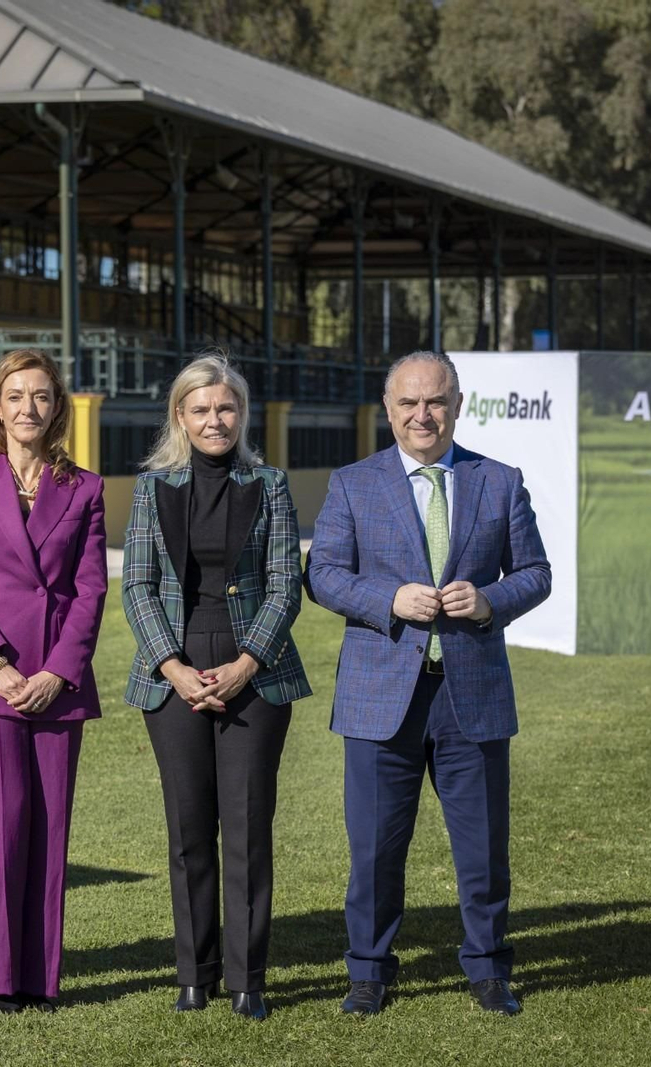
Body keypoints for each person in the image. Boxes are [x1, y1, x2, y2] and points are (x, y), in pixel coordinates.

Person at [304, 350, 551, 1018]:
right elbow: (322, 572)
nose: (423, 415)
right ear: (388, 409)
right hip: (380, 694)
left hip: (472, 693)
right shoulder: (353, 484)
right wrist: (389, 598)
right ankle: (369, 971)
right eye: (409, 403)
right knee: (376, 849)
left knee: (483, 849)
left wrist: (491, 600)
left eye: (436, 401)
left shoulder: (499, 481)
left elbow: (536, 571)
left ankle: (489, 968)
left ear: (458, 405)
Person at [121, 354, 310, 1022]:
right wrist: (172, 667)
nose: (214, 420)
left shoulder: (272, 484)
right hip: (173, 675)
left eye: (225, 408)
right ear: (180, 415)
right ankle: (194, 975)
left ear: (241, 413)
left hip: (253, 676)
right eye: (200, 409)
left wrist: (246, 662)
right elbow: (137, 586)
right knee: (189, 830)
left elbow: (287, 584)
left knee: (248, 829)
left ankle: (246, 979)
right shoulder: (152, 490)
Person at [0, 349, 108, 1014]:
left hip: (56, 684)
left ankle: (40, 976)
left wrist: (58, 670)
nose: (28, 407)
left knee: (47, 829)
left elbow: (90, 589)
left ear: (55, 407)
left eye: (41, 396)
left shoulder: (86, 489)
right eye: (16, 395)